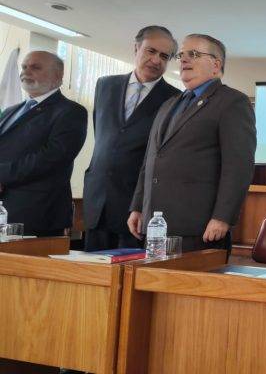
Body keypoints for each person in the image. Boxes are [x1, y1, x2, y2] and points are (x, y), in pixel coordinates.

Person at [128, 34, 256, 254]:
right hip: (155, 226)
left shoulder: (232, 102)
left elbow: (238, 168)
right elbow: (151, 160)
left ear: (216, 65)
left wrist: (222, 217)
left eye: (194, 54)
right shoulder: (169, 104)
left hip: (199, 229)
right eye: (182, 55)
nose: (184, 59)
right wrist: (138, 207)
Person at [83, 26, 180, 251]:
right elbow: (104, 136)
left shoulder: (174, 98)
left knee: (129, 275)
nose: (156, 60)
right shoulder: (105, 85)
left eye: (164, 56)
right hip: (98, 198)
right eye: (150, 51)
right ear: (136, 48)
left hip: (137, 205)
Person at [0, 51, 87, 236]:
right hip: (4, 210)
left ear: (57, 76)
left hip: (37, 214)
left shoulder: (71, 112)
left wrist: (2, 175)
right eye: (24, 67)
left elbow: (51, 158)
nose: (26, 72)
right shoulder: (9, 111)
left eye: (35, 67)